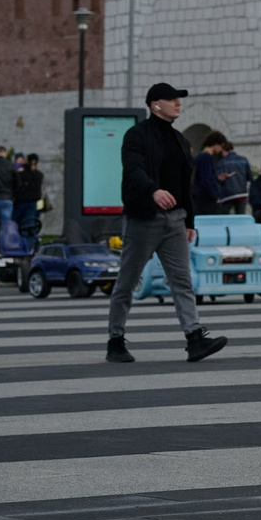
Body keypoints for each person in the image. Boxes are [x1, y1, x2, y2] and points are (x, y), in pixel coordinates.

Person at [105, 83, 228, 364]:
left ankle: (194, 338)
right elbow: (133, 170)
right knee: (127, 280)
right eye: (172, 99)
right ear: (154, 104)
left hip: (175, 221)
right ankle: (115, 341)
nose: (178, 103)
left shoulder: (180, 140)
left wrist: (189, 220)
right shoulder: (136, 136)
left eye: (179, 100)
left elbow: (186, 184)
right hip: (143, 219)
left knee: (182, 280)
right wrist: (153, 190)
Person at [11, 153, 45, 242]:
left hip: (21, 201)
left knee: (15, 222)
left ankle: (17, 242)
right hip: (35, 202)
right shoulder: (39, 175)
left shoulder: (22, 174)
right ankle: (31, 243)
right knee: (30, 223)